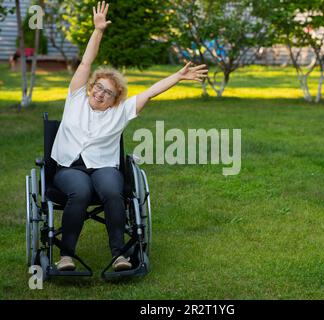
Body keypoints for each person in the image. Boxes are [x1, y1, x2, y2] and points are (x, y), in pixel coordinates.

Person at [51, 1, 208, 272]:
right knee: (80, 191)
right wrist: (98, 30)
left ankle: (119, 255)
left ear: (115, 99)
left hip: (103, 167)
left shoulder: (120, 113)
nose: (100, 94)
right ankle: (66, 256)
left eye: (107, 93)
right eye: (98, 88)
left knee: (113, 191)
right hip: (69, 167)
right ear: (90, 87)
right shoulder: (75, 97)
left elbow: (149, 92)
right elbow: (87, 61)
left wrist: (178, 76)